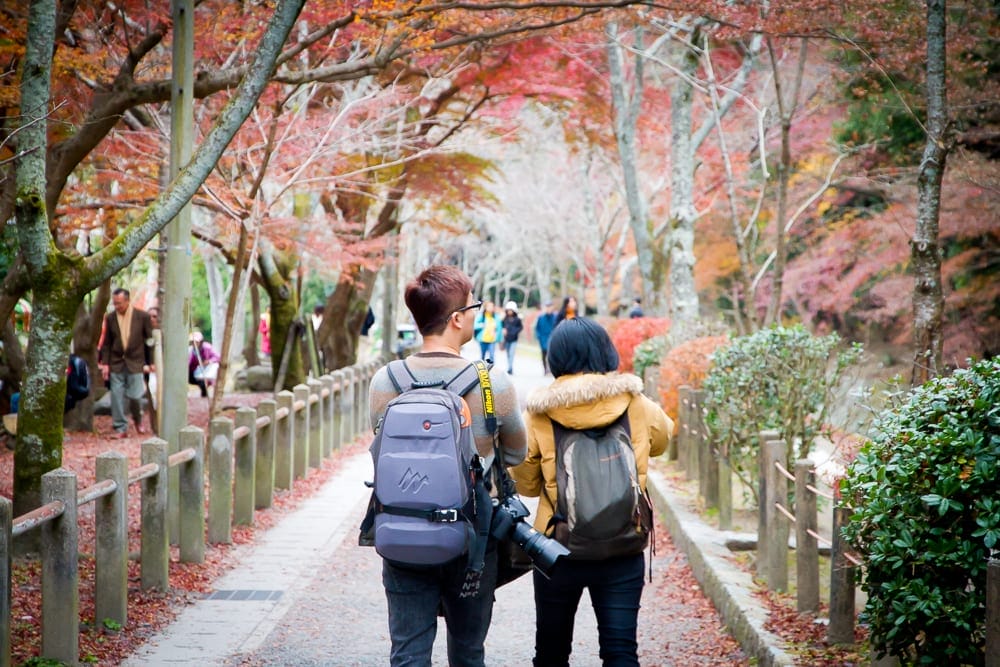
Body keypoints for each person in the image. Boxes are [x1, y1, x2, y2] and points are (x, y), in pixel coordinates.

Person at [368, 265, 527, 667]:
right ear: (457, 319)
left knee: (407, 652)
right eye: (473, 306)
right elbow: (516, 454)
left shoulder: (386, 381)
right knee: (468, 651)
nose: (476, 313)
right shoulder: (492, 383)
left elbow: (381, 445)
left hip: (401, 530)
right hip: (473, 537)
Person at [510, 317, 673, 666]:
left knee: (552, 653)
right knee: (620, 651)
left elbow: (524, 481)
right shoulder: (636, 403)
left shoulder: (539, 415)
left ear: (556, 357)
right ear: (606, 353)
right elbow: (662, 440)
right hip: (624, 542)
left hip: (558, 547)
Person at [99, 288, 154, 438]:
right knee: (116, 396)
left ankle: (138, 419)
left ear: (127, 301)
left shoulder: (142, 316)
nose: (117, 306)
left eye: (120, 303)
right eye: (115, 303)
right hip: (116, 362)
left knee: (135, 396)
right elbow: (106, 343)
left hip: (136, 362)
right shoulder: (110, 318)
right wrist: (105, 363)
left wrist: (152, 362)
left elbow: (149, 341)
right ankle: (120, 427)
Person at [188, 330, 221, 398]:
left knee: (204, 383)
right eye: (193, 342)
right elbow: (189, 364)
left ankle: (204, 396)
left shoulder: (207, 347)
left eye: (196, 342)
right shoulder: (191, 350)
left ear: (201, 341)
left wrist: (209, 361)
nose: (194, 344)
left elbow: (217, 357)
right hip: (195, 373)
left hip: (206, 372)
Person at [500, 301, 523, 375]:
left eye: (511, 310)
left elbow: (520, 327)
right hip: (507, 339)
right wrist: (503, 330)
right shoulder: (504, 319)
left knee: (511, 353)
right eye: (508, 310)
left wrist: (514, 332)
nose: (509, 312)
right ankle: (509, 366)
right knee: (508, 354)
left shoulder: (517, 319)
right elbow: (502, 326)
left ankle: (510, 368)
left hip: (514, 339)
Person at [534, 301, 557, 375]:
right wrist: (538, 336)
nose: (548, 309)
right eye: (547, 307)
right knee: (544, 355)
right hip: (543, 339)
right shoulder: (541, 318)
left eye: (550, 307)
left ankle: (551, 369)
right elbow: (537, 328)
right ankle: (545, 369)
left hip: (553, 339)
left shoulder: (556, 317)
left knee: (552, 355)